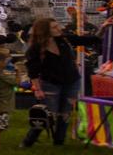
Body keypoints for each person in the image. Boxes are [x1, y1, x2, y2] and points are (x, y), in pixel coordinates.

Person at [22, 16, 99, 147]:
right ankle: (29, 139)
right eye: (54, 27)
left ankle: (59, 141)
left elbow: (88, 40)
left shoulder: (64, 40)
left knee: (65, 112)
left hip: (71, 81)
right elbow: (32, 70)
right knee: (47, 114)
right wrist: (38, 89)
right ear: (45, 31)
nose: (59, 29)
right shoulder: (36, 48)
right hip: (50, 83)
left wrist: (104, 28)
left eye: (57, 26)